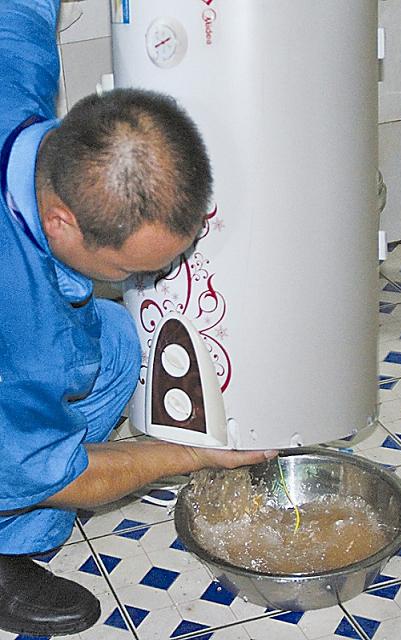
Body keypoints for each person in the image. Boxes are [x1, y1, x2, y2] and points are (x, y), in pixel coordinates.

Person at [0, 1, 276, 636]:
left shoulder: (16, 60)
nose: (147, 280)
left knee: (116, 345)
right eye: (130, 267)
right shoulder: (26, 335)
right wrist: (190, 455)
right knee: (27, 455)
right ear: (62, 220)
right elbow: (62, 476)